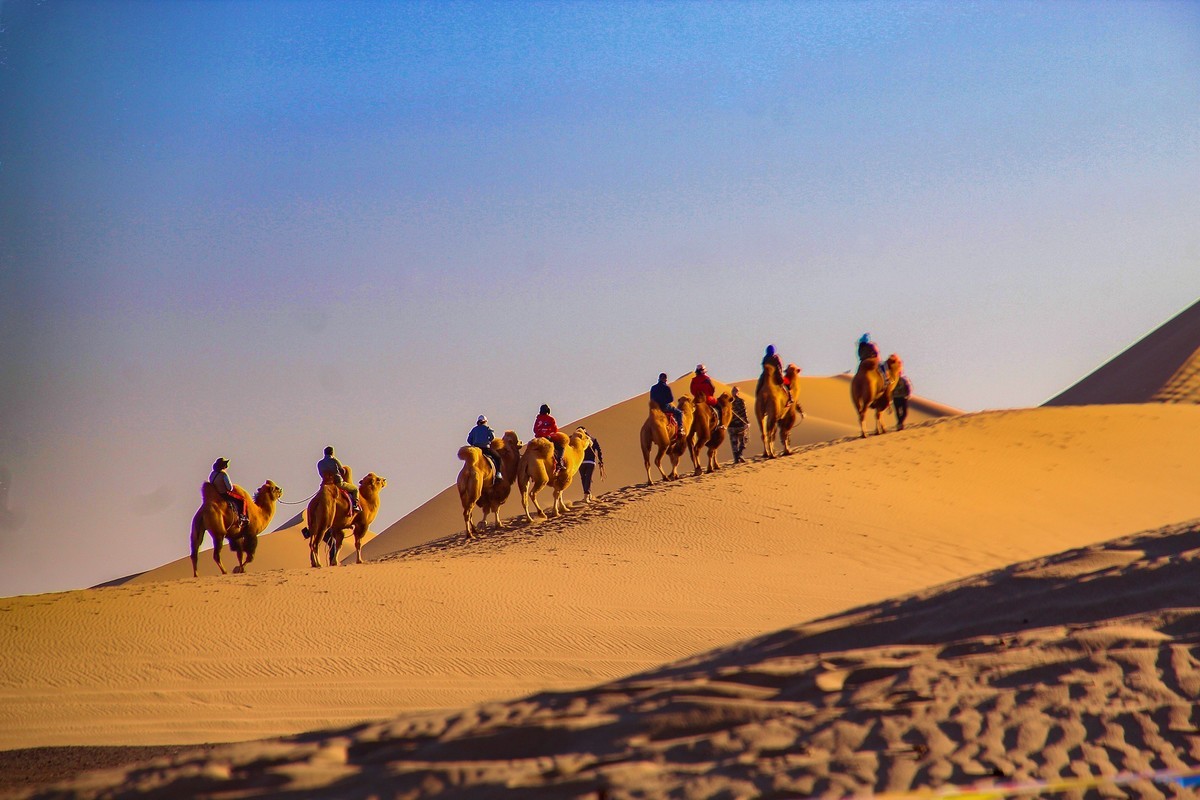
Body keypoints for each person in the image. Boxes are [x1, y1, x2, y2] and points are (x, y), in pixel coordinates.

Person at [317, 446, 359, 513]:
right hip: (337, 482)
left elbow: (320, 473)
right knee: (355, 489)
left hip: (325, 483)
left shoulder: (320, 463)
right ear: (332, 453)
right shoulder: (335, 461)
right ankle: (355, 505)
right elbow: (342, 471)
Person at [209, 457, 248, 528]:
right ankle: (242, 518)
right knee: (242, 500)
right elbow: (230, 487)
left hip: (217, 495)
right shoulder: (224, 474)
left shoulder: (212, 475)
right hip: (225, 494)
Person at [649, 373, 685, 440]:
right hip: (664, 407)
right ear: (665, 379)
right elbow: (671, 399)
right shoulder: (666, 388)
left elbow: (651, 399)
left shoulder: (653, 388)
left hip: (656, 409)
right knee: (679, 413)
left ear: (659, 379)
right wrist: (663, 401)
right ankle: (680, 429)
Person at [467, 415, 502, 480]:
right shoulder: (487, 428)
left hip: (476, 449)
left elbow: (468, 440)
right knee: (498, 458)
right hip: (485, 449)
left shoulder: (474, 429)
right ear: (485, 421)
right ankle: (498, 473)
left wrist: (473, 444)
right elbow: (493, 437)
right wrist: (488, 441)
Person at [533, 404, 565, 471]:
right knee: (561, 448)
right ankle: (559, 462)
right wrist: (549, 435)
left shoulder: (538, 419)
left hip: (538, 439)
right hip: (547, 438)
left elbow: (535, 430)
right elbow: (555, 430)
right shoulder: (550, 419)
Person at [578, 429, 605, 502]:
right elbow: (599, 450)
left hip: (581, 463)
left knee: (584, 478)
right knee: (588, 478)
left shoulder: (577, 440)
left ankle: (586, 495)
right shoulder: (593, 439)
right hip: (590, 462)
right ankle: (587, 494)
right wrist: (600, 460)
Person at [727, 386, 750, 463]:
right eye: (734, 391)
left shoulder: (729, 402)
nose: (735, 392)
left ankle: (738, 456)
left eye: (736, 391)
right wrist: (747, 422)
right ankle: (738, 456)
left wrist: (746, 422)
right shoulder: (738, 401)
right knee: (739, 441)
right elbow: (744, 413)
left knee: (739, 441)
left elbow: (744, 412)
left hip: (735, 425)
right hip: (736, 425)